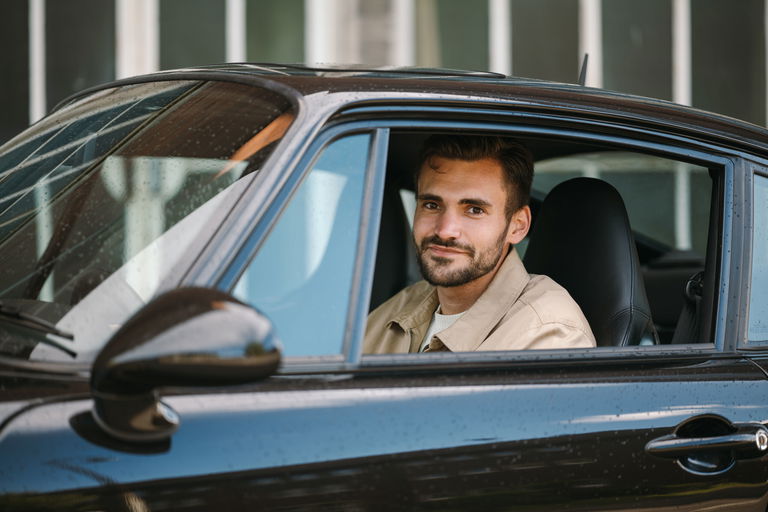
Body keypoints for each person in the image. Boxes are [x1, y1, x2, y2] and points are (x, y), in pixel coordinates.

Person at [364, 134, 596, 353]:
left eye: (474, 210)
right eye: (432, 205)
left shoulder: (548, 335)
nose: (446, 231)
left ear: (518, 226)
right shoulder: (403, 306)